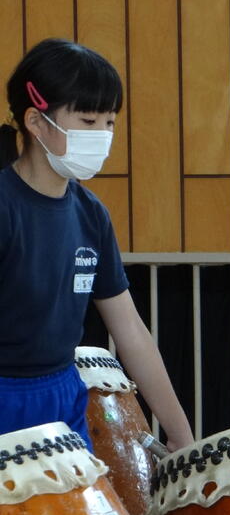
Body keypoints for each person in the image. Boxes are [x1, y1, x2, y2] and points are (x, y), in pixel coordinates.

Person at [0, 38, 193, 452]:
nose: (103, 135)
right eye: (88, 121)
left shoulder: (90, 214)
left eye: (110, 122)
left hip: (63, 396)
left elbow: (131, 331)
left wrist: (180, 432)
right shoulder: (5, 207)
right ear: (36, 122)